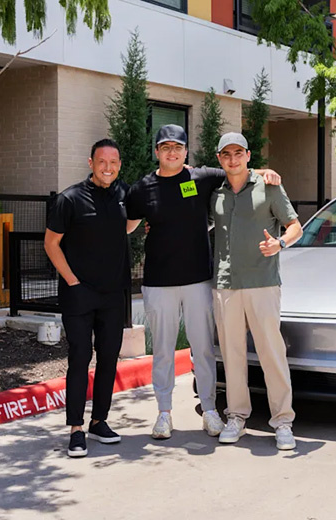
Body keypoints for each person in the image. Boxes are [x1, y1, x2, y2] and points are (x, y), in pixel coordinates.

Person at [125, 124, 282, 440]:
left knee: (203, 349)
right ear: (157, 152)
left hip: (198, 280)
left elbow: (237, 170)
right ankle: (164, 413)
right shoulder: (142, 188)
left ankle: (209, 410)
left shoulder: (203, 177)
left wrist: (266, 172)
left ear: (186, 151)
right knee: (163, 350)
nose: (172, 152)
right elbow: (127, 226)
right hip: (158, 282)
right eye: (166, 147)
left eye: (177, 147)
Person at [45, 138, 139, 458]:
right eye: (102, 162)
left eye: (113, 162)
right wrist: (72, 281)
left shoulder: (125, 194)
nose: (107, 168)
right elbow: (51, 244)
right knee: (80, 357)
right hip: (79, 294)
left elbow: (128, 226)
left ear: (119, 165)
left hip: (113, 294)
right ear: (91, 163)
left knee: (109, 358)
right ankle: (76, 429)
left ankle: (99, 421)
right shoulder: (69, 199)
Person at [210, 132, 303, 451]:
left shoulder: (270, 187)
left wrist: (280, 244)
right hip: (225, 284)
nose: (232, 159)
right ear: (219, 159)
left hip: (263, 283)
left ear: (248, 155)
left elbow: (295, 227)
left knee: (271, 354)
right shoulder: (215, 192)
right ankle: (236, 416)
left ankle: (283, 421)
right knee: (232, 355)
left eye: (238, 153)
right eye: (226, 154)